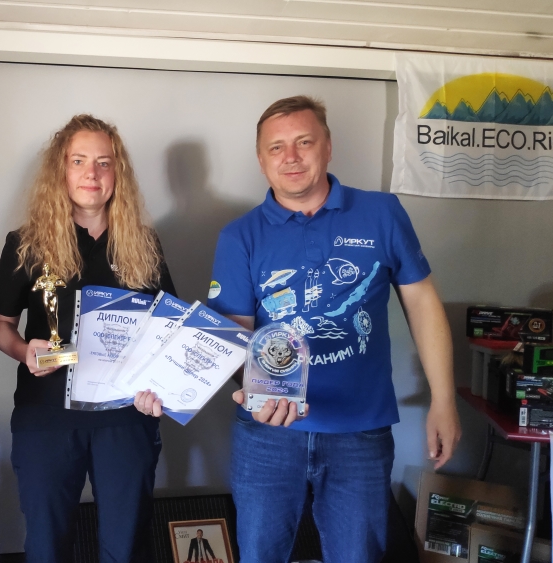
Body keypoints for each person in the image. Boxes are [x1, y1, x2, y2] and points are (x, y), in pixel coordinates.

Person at [166, 95, 458, 562]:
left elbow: (422, 303)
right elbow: (236, 333)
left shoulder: (381, 213)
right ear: (261, 159)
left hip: (359, 431)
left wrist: (444, 400)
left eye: (304, 142)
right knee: (260, 555)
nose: (291, 157)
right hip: (267, 435)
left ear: (328, 146)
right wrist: (257, 391)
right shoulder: (240, 236)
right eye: (276, 147)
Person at [0, 114, 176, 563]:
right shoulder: (25, 244)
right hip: (46, 417)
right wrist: (24, 351)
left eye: (103, 162)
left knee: (126, 548)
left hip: (125, 417)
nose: (92, 173)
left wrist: (162, 385)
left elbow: (169, 332)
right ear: (61, 169)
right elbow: (1, 326)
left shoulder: (144, 244)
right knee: (47, 547)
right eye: (79, 161)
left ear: (118, 172)